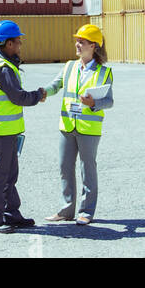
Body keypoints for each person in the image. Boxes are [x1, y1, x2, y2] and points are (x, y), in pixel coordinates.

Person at [0, 20, 49, 234]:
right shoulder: (3, 69)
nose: (20, 45)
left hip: (8, 131)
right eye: (18, 41)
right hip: (1, 131)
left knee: (10, 175)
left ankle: (11, 214)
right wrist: (38, 96)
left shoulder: (4, 64)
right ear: (8, 44)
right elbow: (18, 97)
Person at [44, 24, 113, 226]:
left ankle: (86, 211)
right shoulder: (69, 66)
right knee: (65, 167)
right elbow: (55, 85)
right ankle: (66, 211)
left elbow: (109, 101)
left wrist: (94, 104)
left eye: (81, 42)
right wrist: (42, 93)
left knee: (87, 169)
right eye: (77, 40)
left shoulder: (104, 72)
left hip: (89, 128)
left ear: (93, 46)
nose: (77, 44)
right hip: (67, 126)